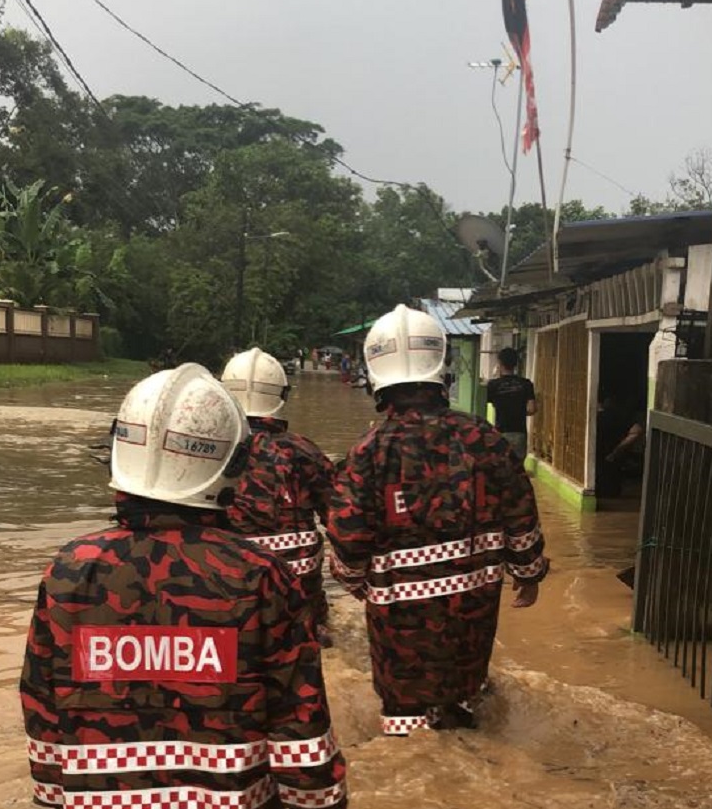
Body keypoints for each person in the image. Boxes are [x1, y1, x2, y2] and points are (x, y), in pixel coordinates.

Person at [21, 363, 345, 809]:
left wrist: (56, 792)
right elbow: (298, 719)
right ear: (228, 468)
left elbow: (42, 705)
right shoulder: (259, 577)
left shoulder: (70, 570)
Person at [328, 304, 547, 735]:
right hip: (474, 606)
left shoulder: (369, 451)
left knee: (404, 717)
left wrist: (353, 580)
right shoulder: (483, 437)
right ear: (439, 369)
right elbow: (521, 513)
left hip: (398, 619)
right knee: (468, 702)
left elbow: (348, 537)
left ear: (377, 376)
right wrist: (529, 573)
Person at [221, 348, 335, 645]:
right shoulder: (304, 451)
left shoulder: (212, 452)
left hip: (229, 590)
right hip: (300, 593)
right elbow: (339, 520)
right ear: (282, 396)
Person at [486, 346, 536, 461]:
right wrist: (518, 410)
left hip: (500, 433)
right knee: (517, 467)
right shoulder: (526, 384)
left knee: (501, 467)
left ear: (500, 363)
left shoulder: (493, 385)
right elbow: (532, 409)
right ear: (516, 364)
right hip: (519, 433)